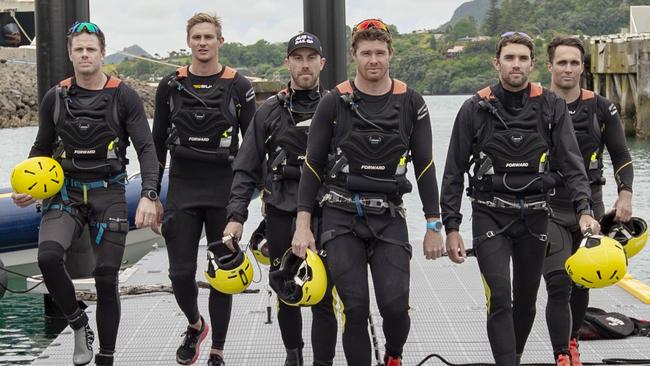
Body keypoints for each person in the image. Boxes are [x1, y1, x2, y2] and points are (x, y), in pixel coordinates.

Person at [440, 32, 601, 366]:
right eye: (509, 58)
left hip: (535, 215)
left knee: (526, 301)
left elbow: (573, 164)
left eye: (522, 58)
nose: (516, 65)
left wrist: (584, 210)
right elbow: (453, 171)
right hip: (490, 214)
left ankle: (513, 356)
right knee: (500, 296)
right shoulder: (475, 107)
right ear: (496, 63)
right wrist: (450, 226)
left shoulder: (551, 105)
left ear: (532, 64)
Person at [292, 19, 444, 366]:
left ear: (390, 54)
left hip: (389, 215)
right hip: (340, 216)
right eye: (365, 53)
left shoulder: (412, 103)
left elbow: (424, 167)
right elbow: (312, 166)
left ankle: (394, 355)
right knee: (355, 306)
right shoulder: (333, 102)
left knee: (395, 306)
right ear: (354, 56)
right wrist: (303, 225)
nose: (373, 59)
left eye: (379, 52)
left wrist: (434, 226)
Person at [11, 21, 161, 366]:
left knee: (106, 277)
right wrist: (29, 187)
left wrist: (150, 194)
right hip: (65, 194)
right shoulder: (56, 96)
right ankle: (78, 322)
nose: (84, 55)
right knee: (48, 257)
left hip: (109, 193)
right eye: (78, 49)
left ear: (102, 53)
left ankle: (106, 359)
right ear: (70, 54)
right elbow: (41, 148)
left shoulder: (124, 95)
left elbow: (146, 149)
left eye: (90, 49)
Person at [224, 32, 337, 366]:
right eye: (297, 58)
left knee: (323, 295)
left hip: (326, 211)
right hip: (280, 211)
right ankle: (294, 355)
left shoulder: (336, 107)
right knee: (285, 288)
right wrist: (235, 216)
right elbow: (245, 169)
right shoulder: (269, 111)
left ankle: (323, 362)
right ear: (287, 62)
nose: (304, 65)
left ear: (322, 63)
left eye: (310, 58)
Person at [151, 12, 256, 366]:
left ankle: (217, 351)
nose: (203, 43)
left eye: (209, 37)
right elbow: (156, 144)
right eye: (197, 37)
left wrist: (258, 195)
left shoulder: (240, 87)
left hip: (223, 188)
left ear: (220, 41)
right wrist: (152, 193)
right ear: (189, 41)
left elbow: (255, 146)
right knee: (179, 273)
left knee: (223, 273)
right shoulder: (170, 85)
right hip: (182, 186)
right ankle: (196, 325)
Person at [543, 36, 633, 366]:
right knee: (558, 282)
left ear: (584, 66)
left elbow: (621, 155)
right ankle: (561, 355)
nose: (568, 68)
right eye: (562, 62)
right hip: (549, 205)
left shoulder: (601, 107)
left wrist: (625, 193)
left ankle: (572, 340)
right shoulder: (536, 104)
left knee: (582, 280)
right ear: (549, 65)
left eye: (575, 62)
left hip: (590, 204)